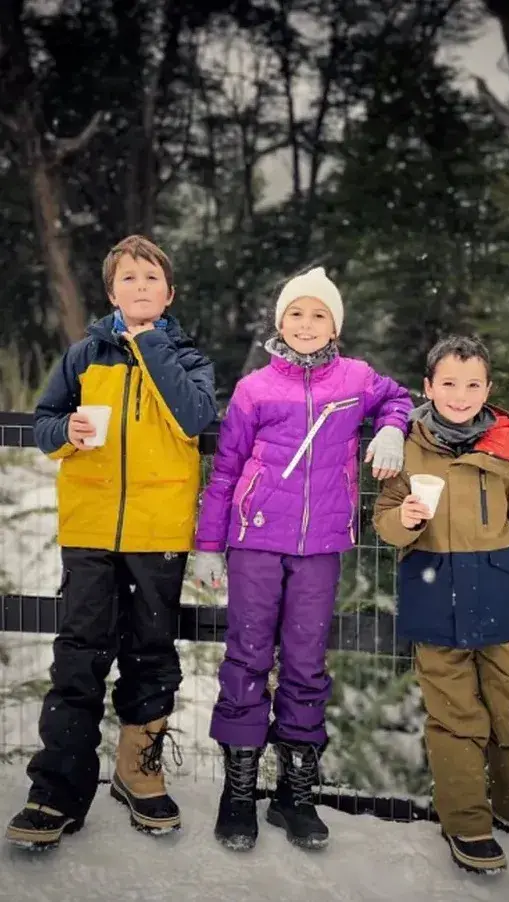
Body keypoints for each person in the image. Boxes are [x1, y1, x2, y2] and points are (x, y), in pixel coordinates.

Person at [6, 234, 217, 850]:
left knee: (152, 653)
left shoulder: (187, 357)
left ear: (169, 294)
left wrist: (149, 344)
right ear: (111, 291)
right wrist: (64, 430)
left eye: (152, 279)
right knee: (79, 654)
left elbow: (193, 419)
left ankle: (138, 774)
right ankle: (56, 791)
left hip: (159, 532)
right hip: (91, 530)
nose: (140, 287)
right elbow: (44, 424)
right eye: (129, 279)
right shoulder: (82, 355)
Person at [193, 266, 413, 852]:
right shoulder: (255, 389)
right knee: (245, 657)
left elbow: (398, 398)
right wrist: (209, 545)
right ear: (280, 322)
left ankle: (296, 794)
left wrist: (391, 429)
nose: (307, 324)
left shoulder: (356, 378)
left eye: (319, 314)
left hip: (321, 549)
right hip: (255, 542)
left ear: (335, 325)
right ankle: (239, 793)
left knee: (306, 664)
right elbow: (226, 470)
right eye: (296, 313)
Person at [373, 334, 509, 874]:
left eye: (471, 384)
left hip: (497, 591)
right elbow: (384, 518)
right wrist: (404, 521)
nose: (459, 395)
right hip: (431, 590)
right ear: (428, 387)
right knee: (455, 717)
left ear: (487, 389)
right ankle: (467, 821)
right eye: (448, 384)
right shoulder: (406, 444)